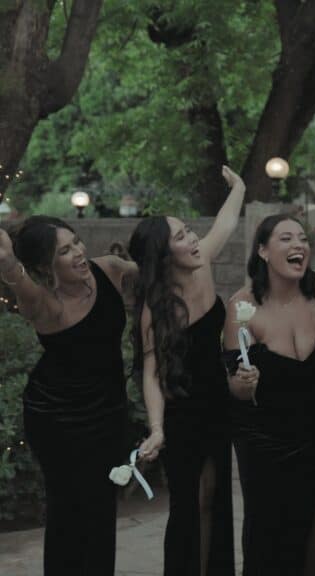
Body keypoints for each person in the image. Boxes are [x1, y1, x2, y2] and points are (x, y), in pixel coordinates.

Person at [0, 217, 136, 575]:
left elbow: (156, 270)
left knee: (102, 508)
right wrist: (9, 265)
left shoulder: (109, 269)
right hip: (57, 418)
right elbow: (20, 283)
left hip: (108, 411)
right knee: (68, 510)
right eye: (65, 250)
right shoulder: (46, 305)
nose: (78, 252)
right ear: (46, 265)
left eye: (76, 242)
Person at [128, 166, 246, 575]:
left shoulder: (204, 262)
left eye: (189, 231)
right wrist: (157, 428)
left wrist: (240, 188)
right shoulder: (154, 308)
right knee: (188, 504)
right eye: (181, 236)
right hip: (181, 408)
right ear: (164, 253)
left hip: (216, 401)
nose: (193, 239)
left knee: (213, 496)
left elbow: (226, 222)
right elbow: (151, 371)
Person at [224, 214, 315, 575]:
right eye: (286, 239)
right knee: (269, 532)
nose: (298, 246)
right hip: (265, 441)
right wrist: (242, 386)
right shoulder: (242, 308)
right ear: (262, 250)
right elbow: (234, 386)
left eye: (303, 239)